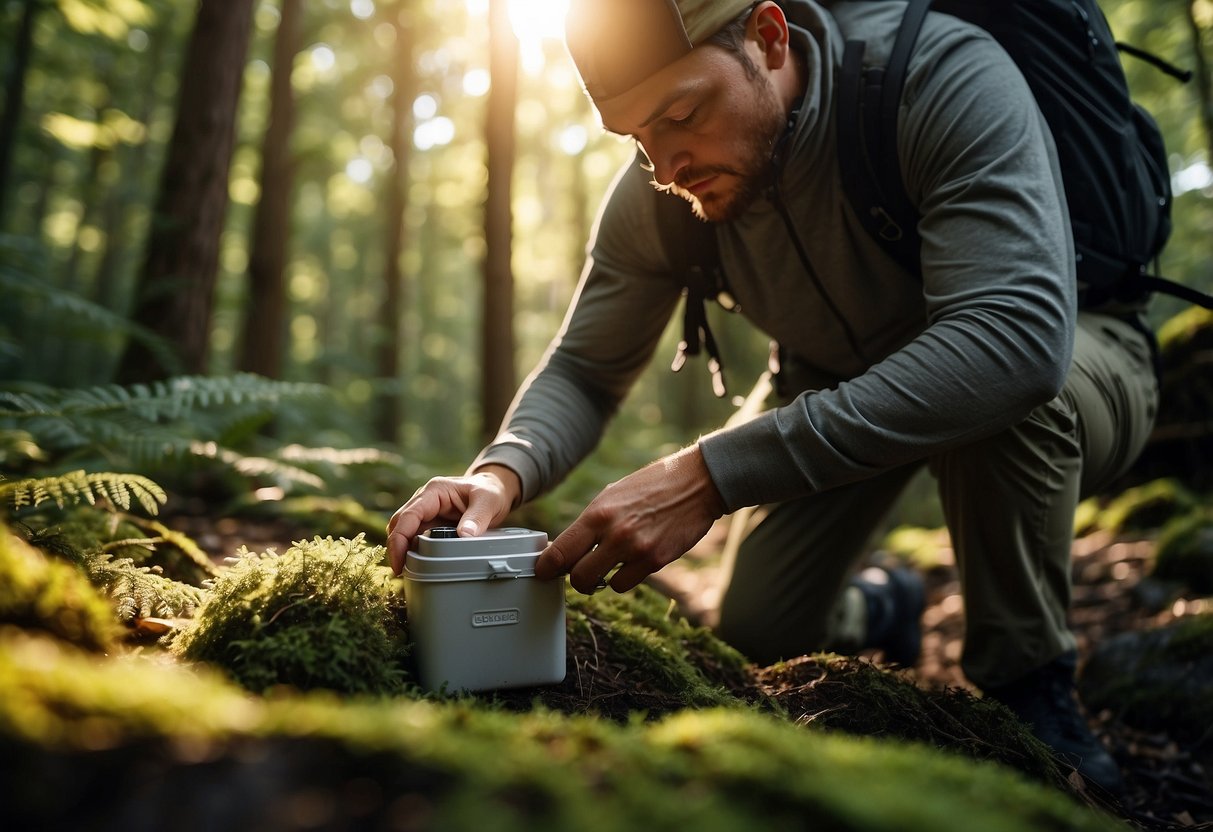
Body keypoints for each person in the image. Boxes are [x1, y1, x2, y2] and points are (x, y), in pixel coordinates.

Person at [388, 0, 1157, 795]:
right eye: (637, 139)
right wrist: (497, 475)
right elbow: (585, 366)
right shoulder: (660, 190)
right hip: (833, 374)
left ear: (768, 36)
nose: (666, 166)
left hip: (1072, 351)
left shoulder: (936, 77)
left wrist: (708, 473)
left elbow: (1013, 339)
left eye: (682, 113)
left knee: (1002, 394)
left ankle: (1029, 683)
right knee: (759, 632)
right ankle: (880, 610)